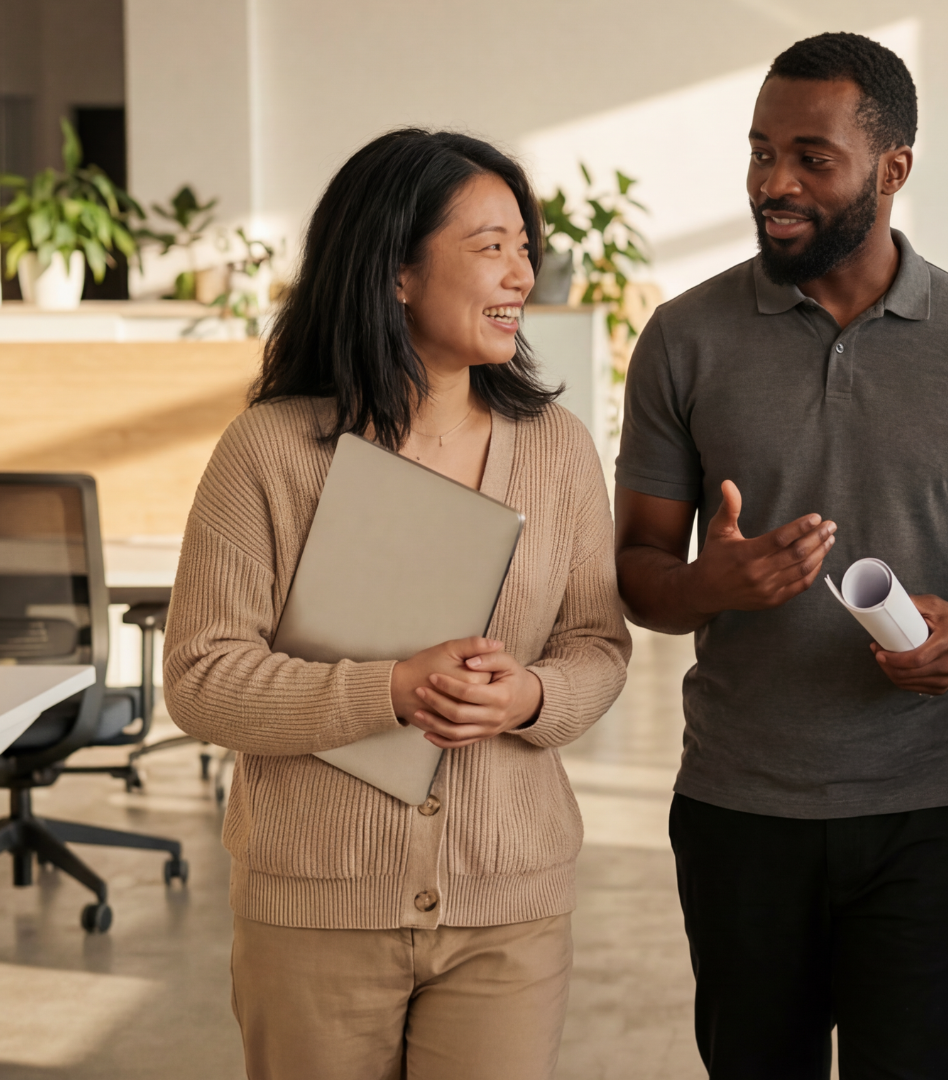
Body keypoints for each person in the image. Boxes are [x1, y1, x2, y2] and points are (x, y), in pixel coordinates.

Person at [614, 32, 948, 1080]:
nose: (775, 183)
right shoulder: (684, 338)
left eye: (813, 158)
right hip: (739, 806)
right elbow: (637, 567)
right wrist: (707, 585)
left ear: (893, 169)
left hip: (928, 806)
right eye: (762, 151)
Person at [163, 129, 632, 1080]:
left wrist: (531, 697)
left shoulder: (559, 449)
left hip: (509, 904)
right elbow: (201, 679)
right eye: (489, 244)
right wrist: (387, 690)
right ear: (396, 273)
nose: (521, 272)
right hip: (314, 905)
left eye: (524, 245)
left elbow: (598, 643)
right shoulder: (269, 451)